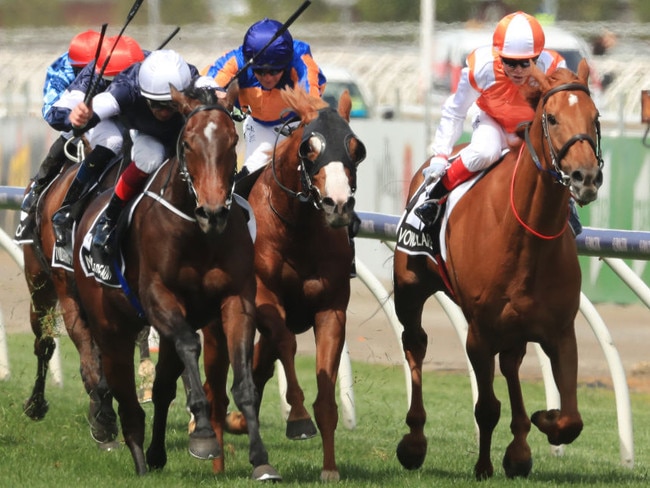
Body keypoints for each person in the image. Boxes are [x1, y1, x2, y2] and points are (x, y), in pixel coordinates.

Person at [414, 11, 582, 234]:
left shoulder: (553, 68)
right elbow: (455, 110)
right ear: (498, 56)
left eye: (525, 63)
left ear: (538, 57)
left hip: (530, 129)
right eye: (510, 63)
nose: (518, 71)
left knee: (549, 152)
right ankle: (436, 196)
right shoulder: (481, 68)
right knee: (485, 151)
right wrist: (440, 155)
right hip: (492, 121)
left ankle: (566, 200)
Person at [67, 49, 214, 266]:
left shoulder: (192, 82)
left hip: (183, 133)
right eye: (156, 104)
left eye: (171, 104)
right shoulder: (127, 88)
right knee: (150, 158)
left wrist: (221, 92)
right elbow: (99, 107)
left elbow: (213, 84)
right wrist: (82, 117)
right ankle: (108, 220)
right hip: (147, 135)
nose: (164, 112)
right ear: (144, 94)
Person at [48, 35, 145, 250]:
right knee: (113, 140)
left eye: (130, 75)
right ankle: (68, 207)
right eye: (117, 78)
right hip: (104, 117)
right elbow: (55, 113)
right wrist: (72, 117)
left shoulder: (150, 63)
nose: (124, 83)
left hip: (137, 115)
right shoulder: (89, 76)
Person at [202, 17, 326, 178]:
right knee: (253, 173)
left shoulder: (301, 62)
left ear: (286, 64)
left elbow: (312, 101)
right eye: (259, 71)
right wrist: (216, 94)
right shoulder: (236, 60)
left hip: (298, 123)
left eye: (275, 71)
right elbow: (206, 83)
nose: (267, 78)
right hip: (261, 125)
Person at [15, 30, 101, 241]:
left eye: (91, 69)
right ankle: (36, 193)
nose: (86, 74)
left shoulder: (115, 61)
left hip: (109, 116)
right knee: (63, 140)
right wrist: (75, 119)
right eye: (80, 69)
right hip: (74, 120)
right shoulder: (59, 70)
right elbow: (51, 111)